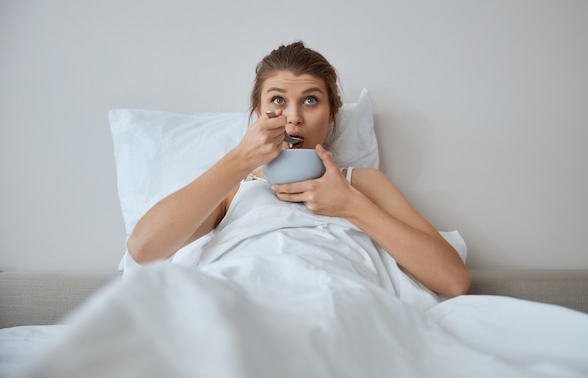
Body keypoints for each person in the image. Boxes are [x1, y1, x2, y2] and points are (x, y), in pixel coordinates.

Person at [127, 41, 470, 297]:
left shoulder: (363, 182)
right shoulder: (235, 185)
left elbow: (453, 280)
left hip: (340, 300)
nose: (293, 117)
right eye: (277, 100)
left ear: (332, 113)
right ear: (258, 112)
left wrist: (350, 205)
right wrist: (241, 160)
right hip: (243, 297)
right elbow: (144, 250)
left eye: (310, 100)